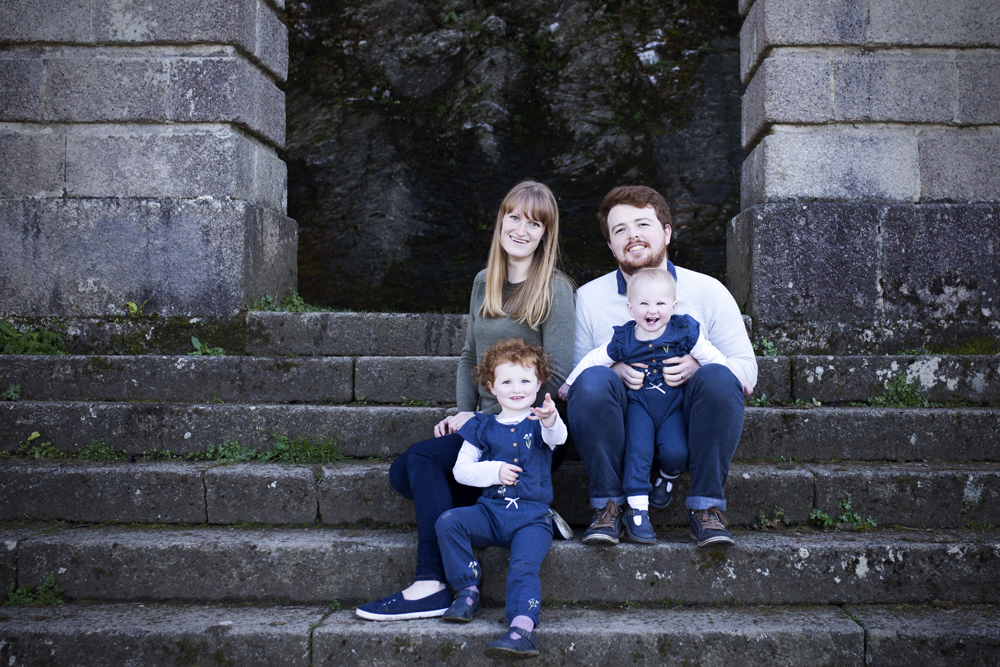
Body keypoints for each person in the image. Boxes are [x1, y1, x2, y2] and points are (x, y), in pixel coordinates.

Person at [356, 181, 575, 621]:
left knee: (420, 463)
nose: (521, 228)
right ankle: (502, 504)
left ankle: (433, 581)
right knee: (404, 474)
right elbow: (470, 356)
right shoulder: (483, 282)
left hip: (523, 431)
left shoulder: (555, 288)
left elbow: (558, 374)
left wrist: (502, 419)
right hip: (485, 424)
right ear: (500, 221)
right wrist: (465, 415)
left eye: (534, 223)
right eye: (514, 217)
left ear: (545, 234)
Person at [568, 185, 757, 548]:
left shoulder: (708, 290)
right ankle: (608, 506)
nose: (632, 235)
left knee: (718, 375)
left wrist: (697, 364)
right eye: (619, 229)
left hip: (683, 418)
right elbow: (575, 380)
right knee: (593, 379)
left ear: (667, 232)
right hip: (624, 418)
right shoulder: (589, 298)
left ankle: (706, 509)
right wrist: (614, 370)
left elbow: (746, 371)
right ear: (610, 245)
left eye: (643, 224)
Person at [435, 339, 566, 658]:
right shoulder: (481, 425)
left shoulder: (540, 421)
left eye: (525, 380)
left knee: (523, 566)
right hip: (491, 514)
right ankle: (467, 590)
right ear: (492, 387)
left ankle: (522, 629)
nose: (517, 388)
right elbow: (461, 471)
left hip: (532, 520)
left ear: (538, 383)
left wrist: (550, 417)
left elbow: (557, 437)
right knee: (449, 521)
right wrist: (493, 471)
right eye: (507, 381)